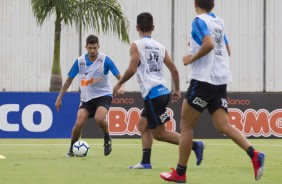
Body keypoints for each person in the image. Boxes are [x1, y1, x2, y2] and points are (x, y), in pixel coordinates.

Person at [160, 0, 265, 183]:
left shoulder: (198, 21)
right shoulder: (218, 21)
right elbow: (227, 51)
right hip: (221, 79)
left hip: (203, 80)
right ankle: (254, 154)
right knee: (222, 125)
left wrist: (191, 58)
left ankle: (180, 172)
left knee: (186, 125)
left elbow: (208, 44)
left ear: (195, 3)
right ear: (213, 6)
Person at [113, 12, 205, 169]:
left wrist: (119, 83)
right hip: (162, 91)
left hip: (153, 94)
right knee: (143, 125)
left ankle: (195, 145)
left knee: (160, 134)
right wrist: (177, 90)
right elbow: (174, 70)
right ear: (153, 28)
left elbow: (133, 67)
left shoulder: (136, 45)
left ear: (137, 28)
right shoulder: (160, 47)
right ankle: (146, 162)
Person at [55, 34, 123, 157]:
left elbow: (119, 76)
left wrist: (121, 86)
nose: (93, 51)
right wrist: (60, 97)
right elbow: (68, 80)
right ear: (86, 47)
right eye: (90, 48)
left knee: (99, 118)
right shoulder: (80, 61)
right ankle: (71, 148)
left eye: (95, 48)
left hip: (104, 95)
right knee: (78, 123)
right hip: (87, 98)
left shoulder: (105, 60)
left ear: (98, 47)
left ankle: (107, 138)